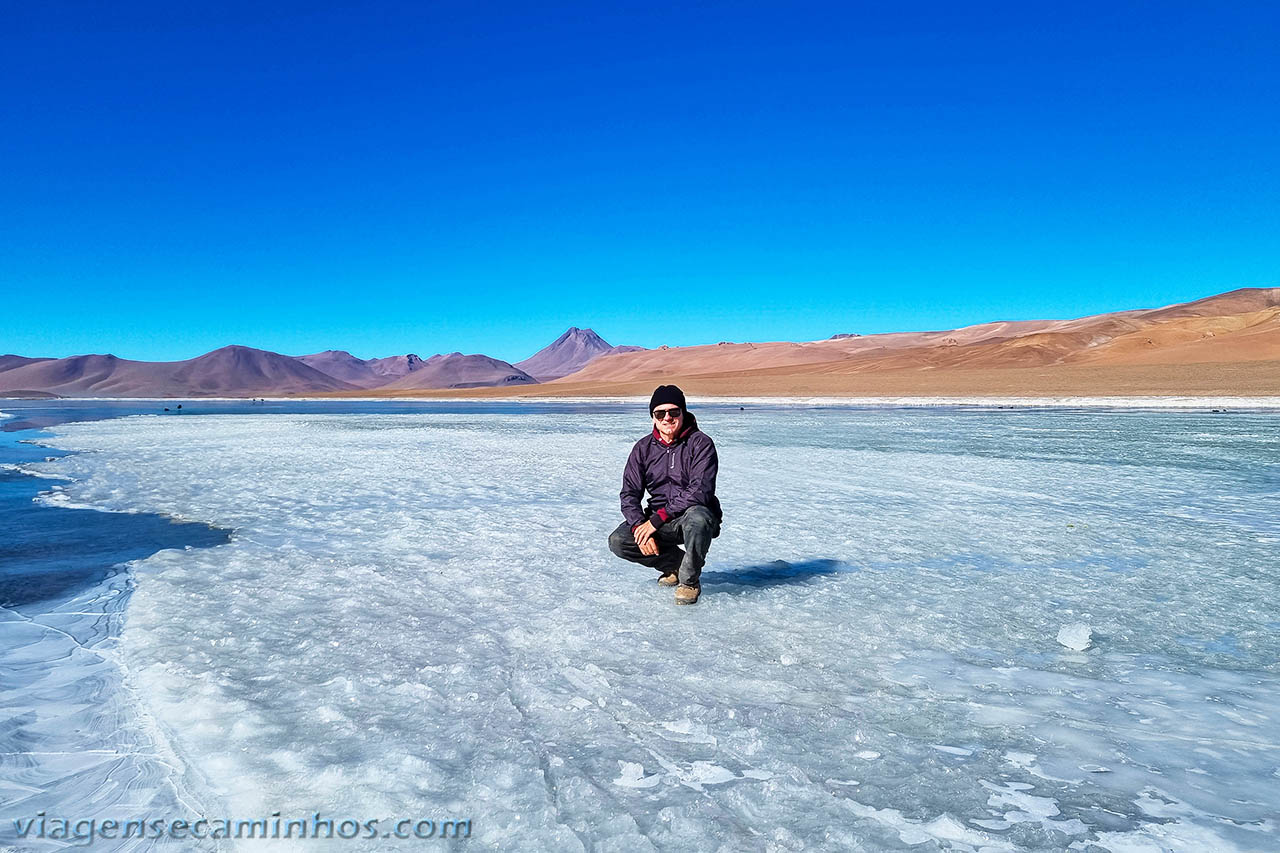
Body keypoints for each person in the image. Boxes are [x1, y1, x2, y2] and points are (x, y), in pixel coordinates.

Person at [607, 385, 722, 605]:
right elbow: (629, 494)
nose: (667, 418)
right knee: (619, 540)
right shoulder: (642, 449)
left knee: (698, 518)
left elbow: (700, 491)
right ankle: (676, 565)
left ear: (683, 413)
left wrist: (657, 520)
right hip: (658, 520)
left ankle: (689, 582)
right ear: (653, 417)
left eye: (674, 412)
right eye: (660, 413)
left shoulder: (700, 444)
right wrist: (639, 526)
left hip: (693, 518)